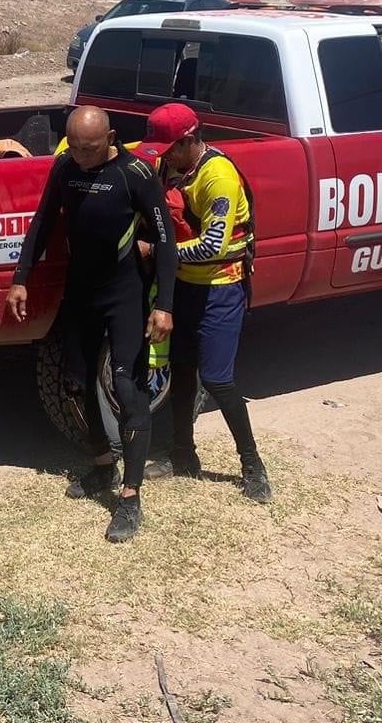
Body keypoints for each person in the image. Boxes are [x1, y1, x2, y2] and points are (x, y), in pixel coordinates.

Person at [5, 106, 175, 543]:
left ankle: (131, 496)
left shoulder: (134, 174)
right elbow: (42, 222)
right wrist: (20, 279)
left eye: (90, 147)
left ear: (111, 136)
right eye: (75, 146)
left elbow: (165, 240)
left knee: (127, 386)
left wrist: (165, 306)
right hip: (81, 292)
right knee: (77, 385)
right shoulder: (65, 166)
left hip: (124, 294)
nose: (81, 155)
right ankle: (103, 466)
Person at [143, 103, 272, 503]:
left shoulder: (218, 177)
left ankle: (252, 466)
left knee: (216, 379)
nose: (162, 155)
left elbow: (213, 246)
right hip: (184, 288)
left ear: (189, 140)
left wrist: (157, 253)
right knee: (181, 371)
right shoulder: (171, 166)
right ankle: (183, 454)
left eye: (169, 148)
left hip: (221, 287)